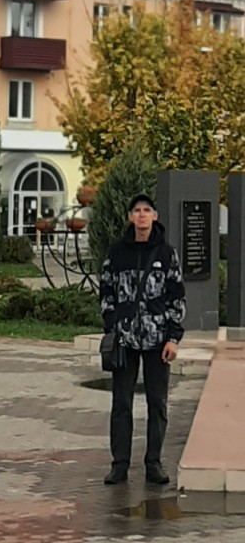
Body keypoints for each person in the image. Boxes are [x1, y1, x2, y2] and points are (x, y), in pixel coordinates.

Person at [99, 193, 186, 485]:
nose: (142, 215)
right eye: (137, 210)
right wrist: (113, 324)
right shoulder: (117, 252)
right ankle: (119, 464)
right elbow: (106, 291)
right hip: (125, 340)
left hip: (157, 340)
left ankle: (154, 463)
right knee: (121, 404)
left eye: (147, 210)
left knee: (157, 404)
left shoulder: (166, 254)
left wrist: (173, 338)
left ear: (155, 216)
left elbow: (177, 297)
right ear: (130, 217)